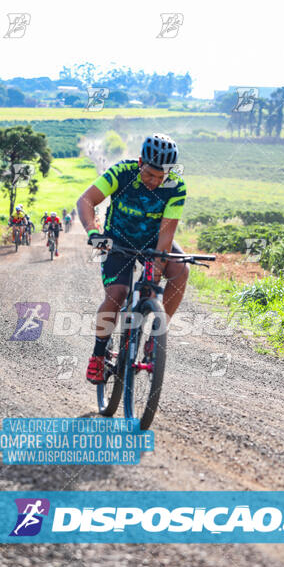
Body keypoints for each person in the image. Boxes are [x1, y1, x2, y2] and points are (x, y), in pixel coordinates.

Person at [77, 133, 188, 384]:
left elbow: (166, 235)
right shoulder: (122, 172)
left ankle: (154, 338)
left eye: (162, 177)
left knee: (181, 271)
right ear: (140, 162)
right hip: (118, 241)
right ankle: (98, 355)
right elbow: (86, 200)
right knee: (117, 293)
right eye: (150, 174)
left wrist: (154, 278)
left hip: (152, 242)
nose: (155, 182)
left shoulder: (176, 187)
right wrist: (93, 233)